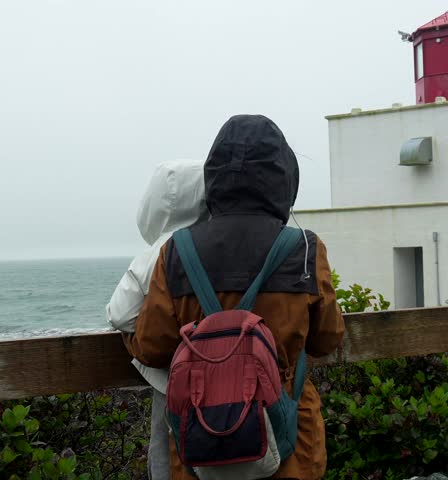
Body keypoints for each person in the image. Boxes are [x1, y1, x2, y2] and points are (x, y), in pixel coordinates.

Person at [124, 114, 345, 480]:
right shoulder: (303, 249)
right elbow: (327, 339)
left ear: (215, 177)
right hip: (290, 447)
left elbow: (151, 348)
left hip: (204, 450)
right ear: (284, 177)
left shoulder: (178, 251)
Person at [106, 160, 207, 480]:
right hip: (237, 374)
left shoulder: (161, 250)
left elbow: (120, 314)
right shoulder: (222, 239)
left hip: (176, 381)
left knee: (170, 462)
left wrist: (144, 335)